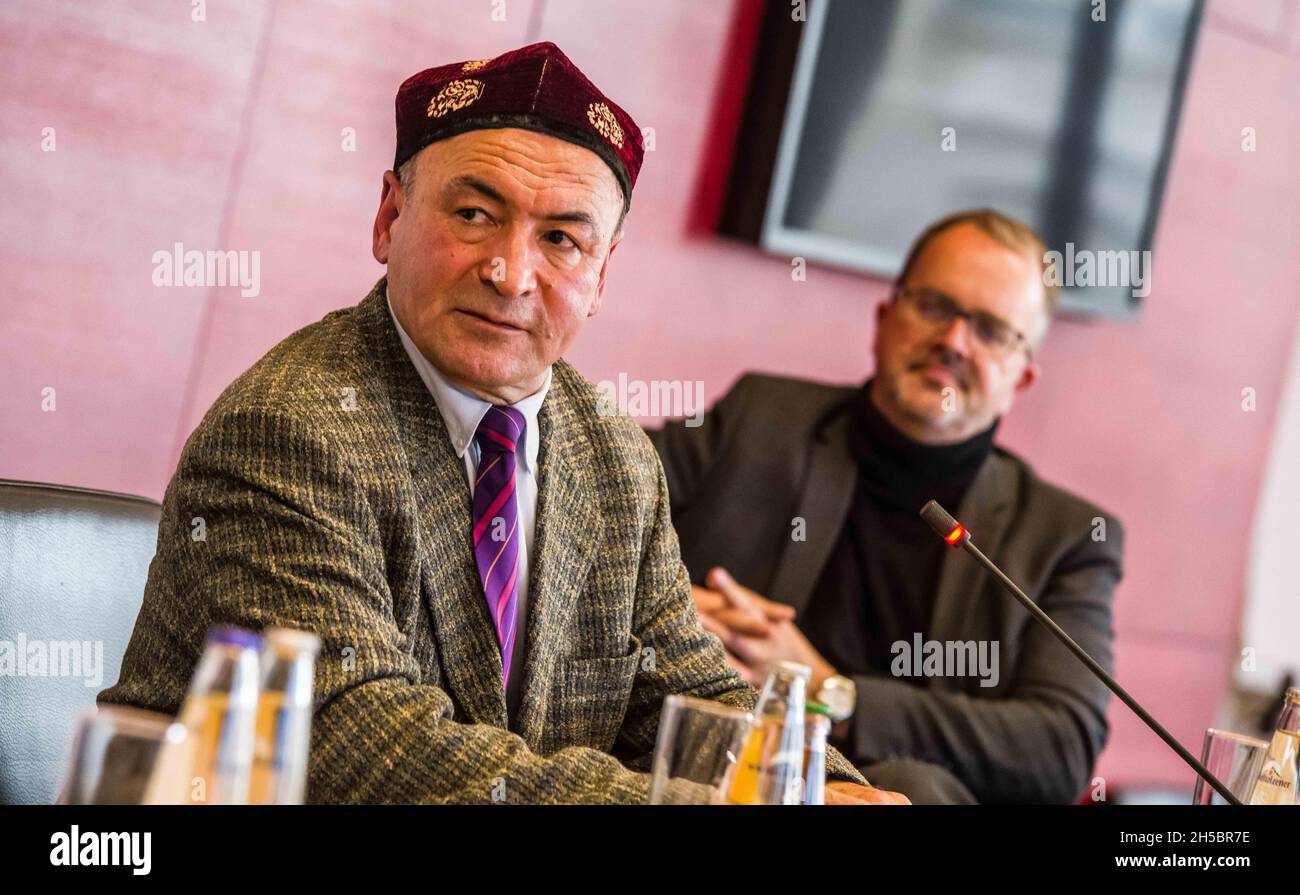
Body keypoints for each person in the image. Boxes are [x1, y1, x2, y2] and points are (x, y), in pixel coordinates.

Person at [99, 41, 904, 805]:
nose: (511, 273)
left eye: (560, 238)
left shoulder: (614, 452)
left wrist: (824, 785)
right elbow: (361, 748)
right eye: (476, 214)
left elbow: (688, 693)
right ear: (389, 217)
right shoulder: (291, 428)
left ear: (601, 275)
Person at [649, 209, 1124, 804]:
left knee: (909, 788)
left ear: (1021, 378)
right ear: (884, 317)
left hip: (903, 795)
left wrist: (829, 690)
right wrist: (677, 608)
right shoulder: (757, 419)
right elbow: (587, 508)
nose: (952, 341)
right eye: (933, 306)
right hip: (716, 775)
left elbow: (1061, 747)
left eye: (990, 330)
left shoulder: (1064, 537)